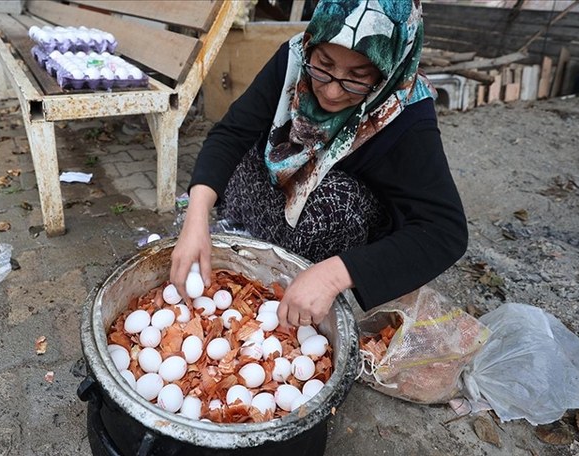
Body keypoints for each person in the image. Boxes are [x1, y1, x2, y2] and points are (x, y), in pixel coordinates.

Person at [170, 0, 468, 328]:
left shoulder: (406, 113)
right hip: (270, 203)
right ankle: (253, 242)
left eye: (357, 78)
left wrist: (334, 275)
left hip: (332, 234)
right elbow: (232, 132)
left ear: (388, 71)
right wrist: (195, 216)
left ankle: (306, 275)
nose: (331, 91)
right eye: (323, 65)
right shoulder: (294, 59)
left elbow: (444, 231)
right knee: (247, 154)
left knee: (337, 199)